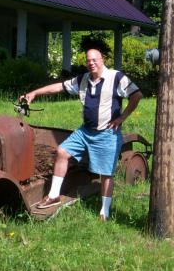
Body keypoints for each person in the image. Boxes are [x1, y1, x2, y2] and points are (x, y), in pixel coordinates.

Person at [20, 45, 143, 221]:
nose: (91, 63)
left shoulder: (116, 77)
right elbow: (59, 87)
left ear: (102, 60)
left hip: (106, 133)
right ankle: (53, 195)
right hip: (85, 131)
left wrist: (122, 118)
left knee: (106, 173)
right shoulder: (83, 79)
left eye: (95, 59)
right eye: (88, 60)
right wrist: (34, 93)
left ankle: (104, 211)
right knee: (62, 152)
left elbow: (136, 95)